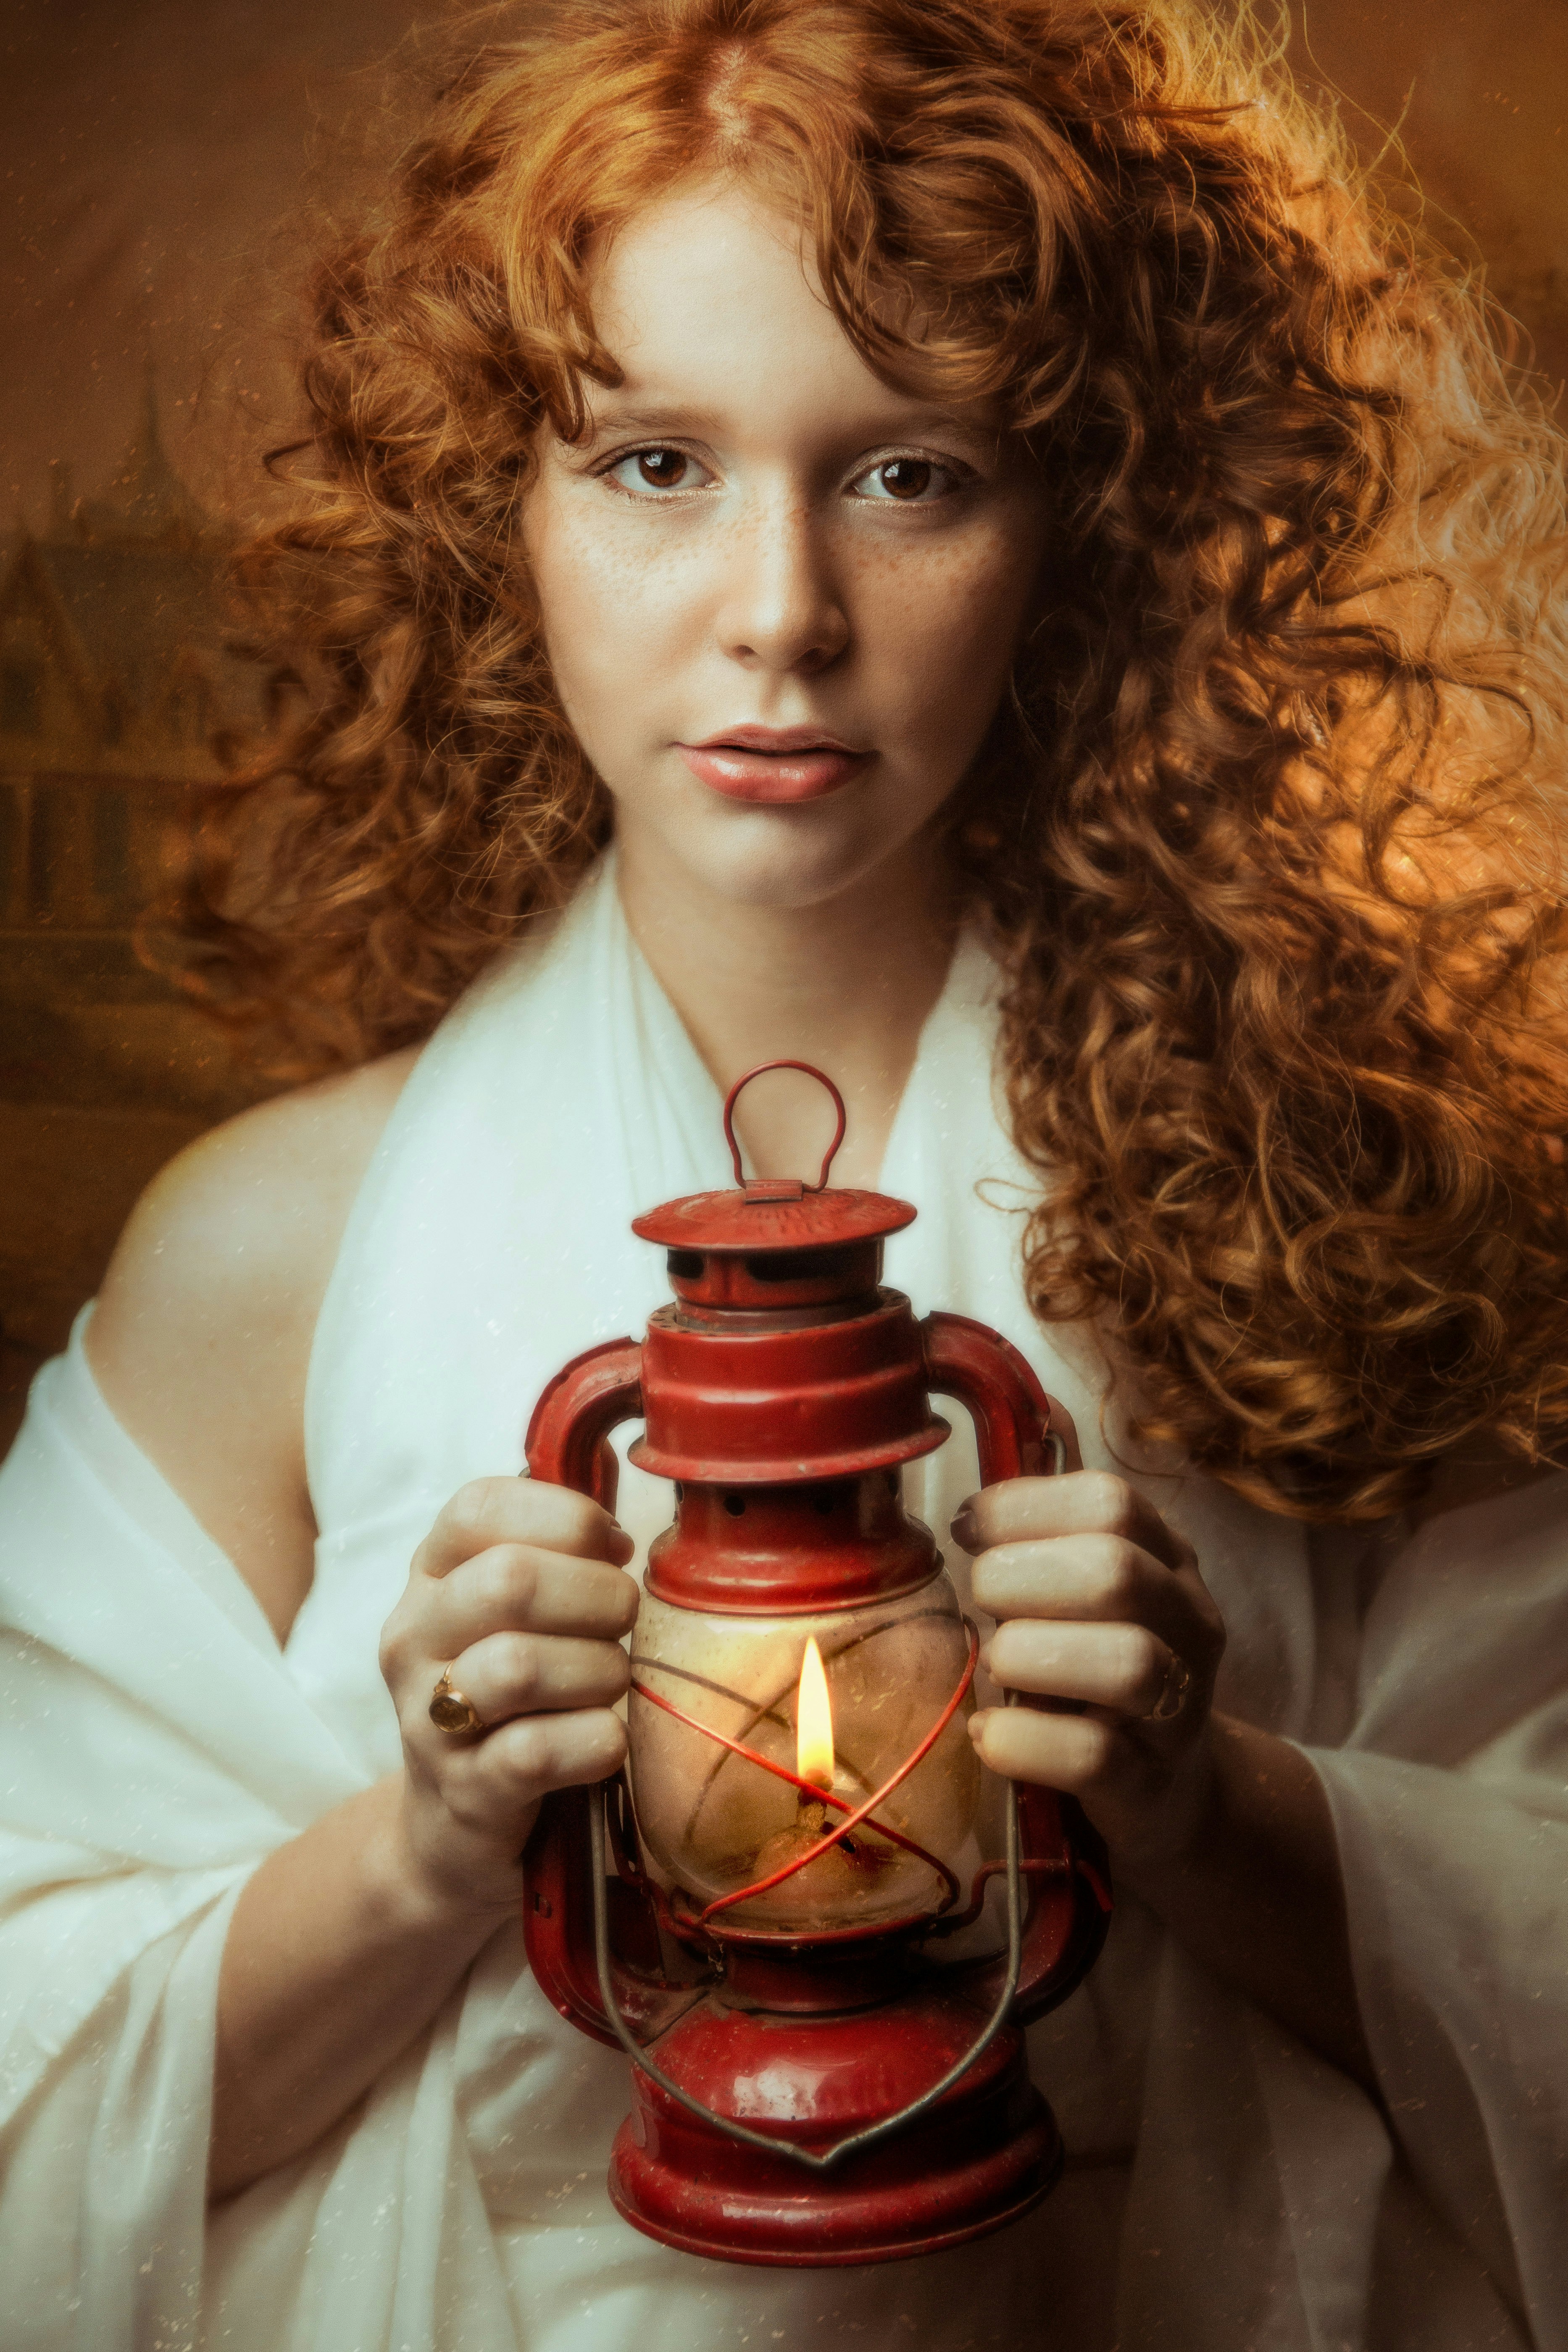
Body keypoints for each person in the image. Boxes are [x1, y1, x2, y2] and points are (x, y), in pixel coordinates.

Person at [2, 0, 1565, 2344]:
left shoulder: (1338, 1217)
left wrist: (1201, 1801)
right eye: (652, 463)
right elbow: (36, 2122)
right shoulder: (268, 1254)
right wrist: (431, 1853)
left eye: (909, 473)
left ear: (1092, 523)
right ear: (492, 507)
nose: (779, 614)